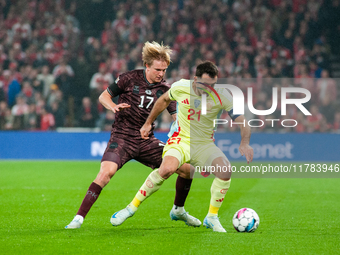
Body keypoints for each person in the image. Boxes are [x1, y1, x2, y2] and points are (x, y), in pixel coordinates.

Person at [65, 41, 200, 229]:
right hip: (122, 138)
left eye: (164, 70)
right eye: (157, 69)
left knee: (187, 169)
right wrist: (113, 106)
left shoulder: (165, 90)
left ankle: (178, 210)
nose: (161, 74)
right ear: (147, 66)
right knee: (105, 173)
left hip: (146, 141)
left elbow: (176, 115)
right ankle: (78, 219)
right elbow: (104, 96)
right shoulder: (128, 78)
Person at [111, 61, 254, 232]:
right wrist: (148, 122)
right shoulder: (181, 87)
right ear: (195, 80)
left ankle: (212, 217)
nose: (210, 89)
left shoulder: (223, 95)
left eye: (213, 85)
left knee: (225, 171)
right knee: (166, 169)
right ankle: (130, 208)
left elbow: (242, 121)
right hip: (180, 140)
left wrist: (245, 142)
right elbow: (163, 100)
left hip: (204, 144)